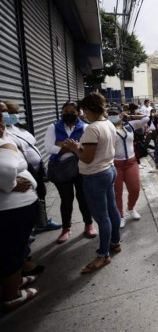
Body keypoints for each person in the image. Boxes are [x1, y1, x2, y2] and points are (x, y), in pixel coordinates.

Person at [64, 93, 121, 274]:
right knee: (112, 209)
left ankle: (103, 255)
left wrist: (74, 149)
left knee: (102, 216)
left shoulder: (92, 128)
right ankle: (115, 242)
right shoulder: (109, 124)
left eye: (83, 111)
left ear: (88, 109)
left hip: (95, 175)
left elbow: (87, 159)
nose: (82, 115)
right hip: (109, 170)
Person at [0, 112, 40, 311]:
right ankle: (12, 295)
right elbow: (6, 170)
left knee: (14, 249)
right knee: (10, 251)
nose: (2, 125)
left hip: (16, 209)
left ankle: (15, 281)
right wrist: (11, 184)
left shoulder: (9, 136)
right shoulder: (4, 144)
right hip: (10, 210)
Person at [2, 101, 61, 233]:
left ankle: (42, 221)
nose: (13, 116)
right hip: (22, 172)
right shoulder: (5, 132)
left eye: (16, 113)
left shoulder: (17, 127)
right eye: (11, 113)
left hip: (36, 169)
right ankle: (30, 228)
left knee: (41, 194)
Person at [44, 101, 96, 244]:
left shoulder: (85, 127)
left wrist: (61, 144)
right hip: (61, 169)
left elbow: (86, 148)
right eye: (65, 112)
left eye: (72, 112)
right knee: (66, 199)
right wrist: (74, 147)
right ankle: (66, 228)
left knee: (83, 198)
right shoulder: (53, 127)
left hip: (80, 168)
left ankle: (88, 224)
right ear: (61, 113)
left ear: (78, 113)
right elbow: (48, 147)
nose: (68, 114)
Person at [108, 106, 149, 228]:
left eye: (115, 114)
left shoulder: (129, 125)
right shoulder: (107, 129)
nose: (112, 116)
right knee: (117, 192)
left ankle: (130, 208)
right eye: (109, 114)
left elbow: (146, 118)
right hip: (115, 164)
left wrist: (130, 116)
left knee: (135, 189)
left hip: (131, 162)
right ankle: (120, 215)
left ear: (121, 115)